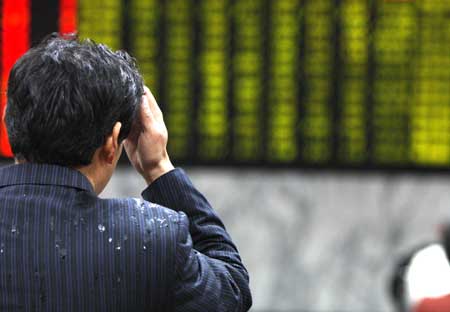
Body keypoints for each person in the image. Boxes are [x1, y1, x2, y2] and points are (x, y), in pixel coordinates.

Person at [0, 34, 252, 311]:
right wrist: (159, 167)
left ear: (7, 121)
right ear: (112, 141)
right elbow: (231, 293)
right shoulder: (150, 239)